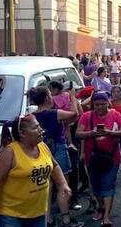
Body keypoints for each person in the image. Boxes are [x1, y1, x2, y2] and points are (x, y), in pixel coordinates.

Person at [0, 115, 75, 227]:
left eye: (39, 126)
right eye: (35, 128)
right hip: (11, 216)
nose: (41, 130)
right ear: (22, 133)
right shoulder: (9, 152)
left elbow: (54, 165)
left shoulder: (42, 146)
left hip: (38, 213)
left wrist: (62, 185)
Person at [27, 86, 80, 227]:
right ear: (46, 98)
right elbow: (74, 114)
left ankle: (48, 219)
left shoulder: (31, 117)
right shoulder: (54, 113)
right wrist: (72, 97)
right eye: (50, 94)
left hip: (41, 152)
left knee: (46, 186)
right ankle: (66, 218)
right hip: (58, 150)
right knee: (63, 185)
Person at [76, 92, 121, 227]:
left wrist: (110, 132)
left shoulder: (116, 115)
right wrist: (90, 133)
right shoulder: (87, 116)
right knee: (96, 187)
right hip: (91, 158)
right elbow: (78, 133)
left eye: (103, 104)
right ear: (93, 104)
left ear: (108, 103)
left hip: (112, 157)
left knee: (108, 185)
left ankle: (106, 216)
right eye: (97, 105)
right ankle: (101, 207)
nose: (100, 107)